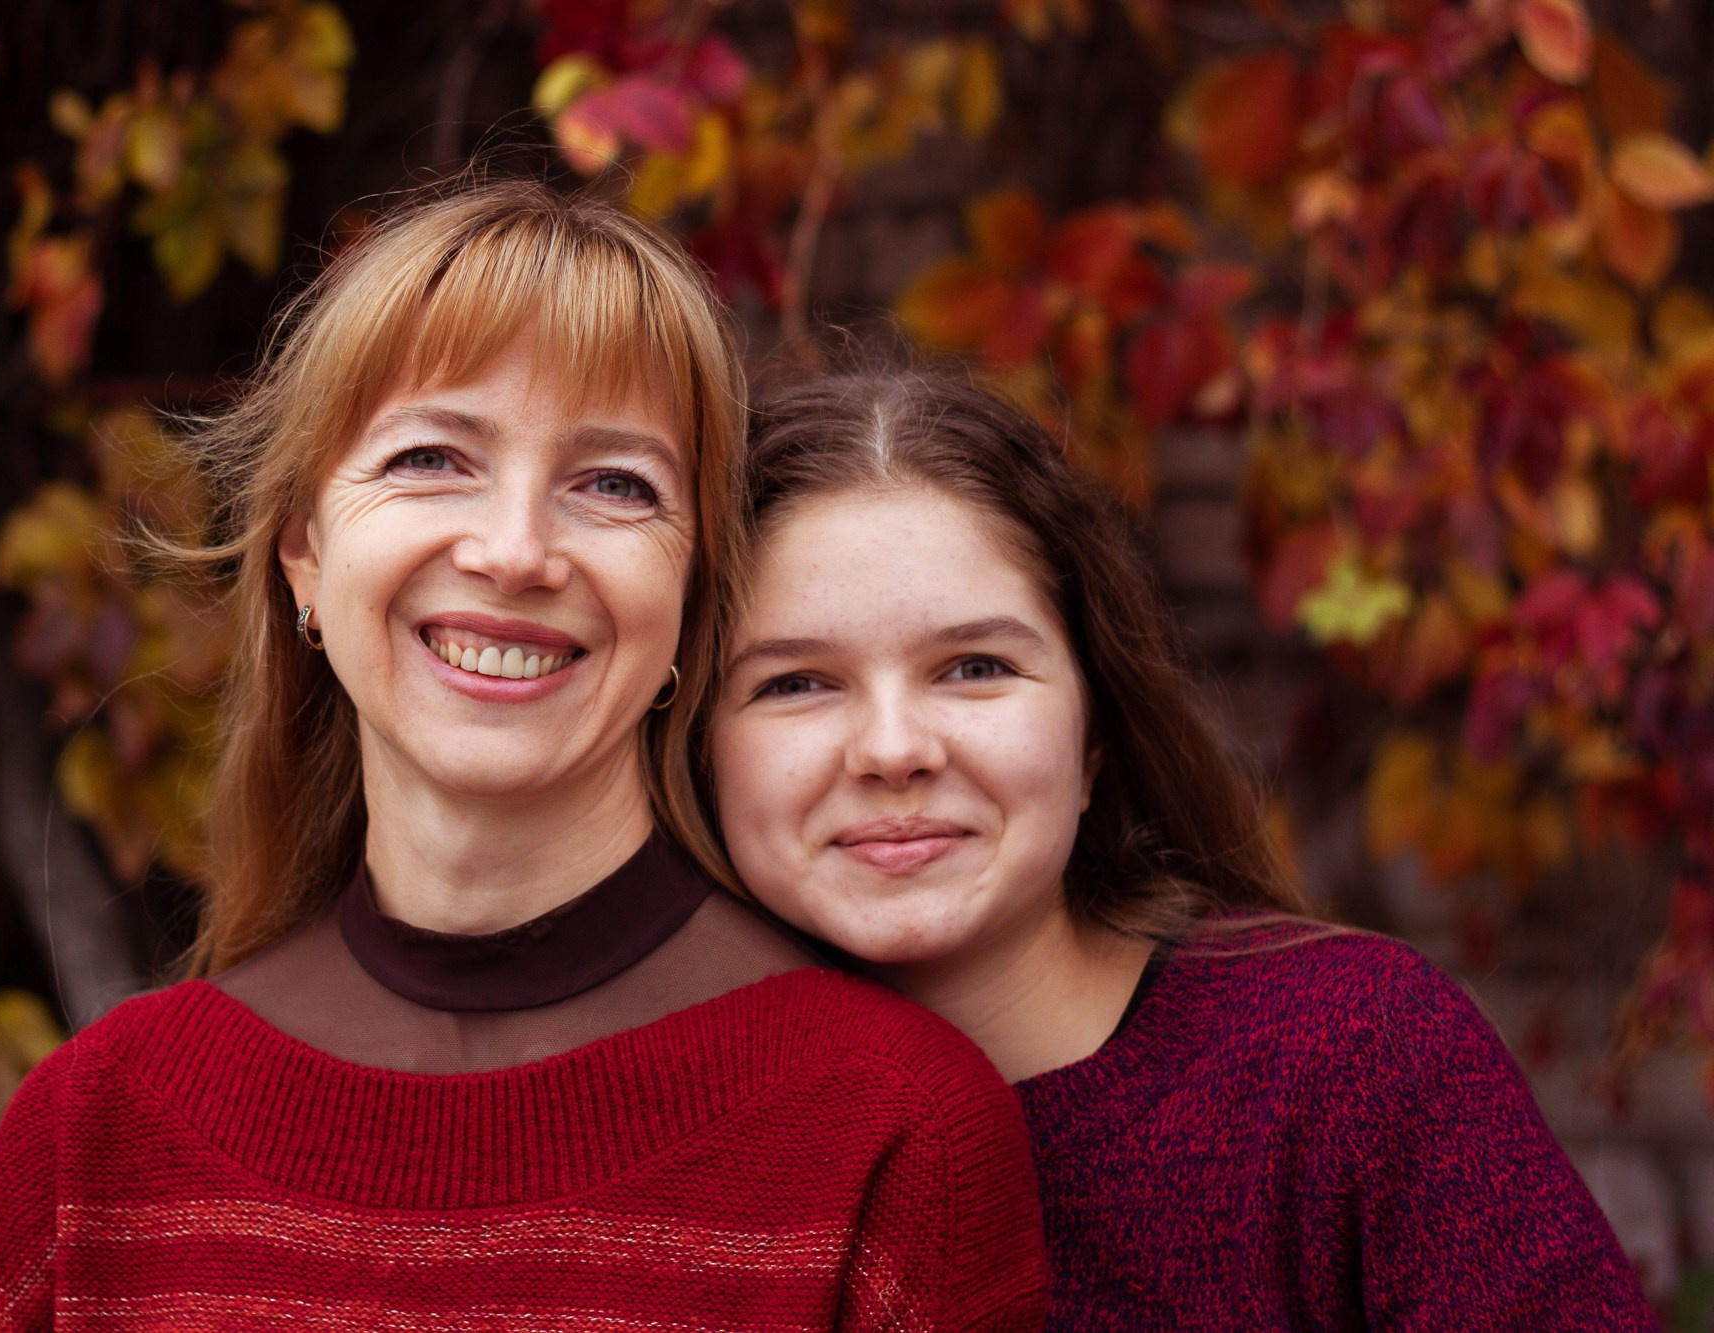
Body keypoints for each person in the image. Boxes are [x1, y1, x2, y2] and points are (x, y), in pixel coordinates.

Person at [0, 188, 1049, 1331]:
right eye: (430, 457)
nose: (516, 551)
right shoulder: (92, 1142)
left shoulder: (892, 1135)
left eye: (613, 484)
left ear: (690, 593)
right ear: (305, 556)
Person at [696, 369, 1660, 1329]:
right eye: (795, 683)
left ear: (1094, 733)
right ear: (695, 747)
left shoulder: (1355, 1060)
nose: (894, 749)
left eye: (975, 667)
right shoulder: (671, 1148)